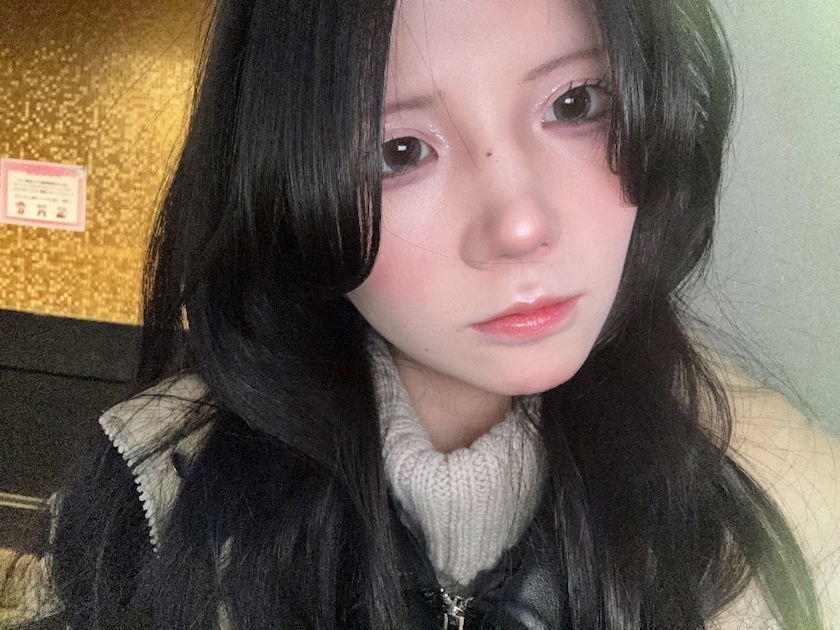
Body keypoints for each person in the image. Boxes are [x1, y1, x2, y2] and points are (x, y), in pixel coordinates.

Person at [11, 0, 839, 627]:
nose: (520, 225)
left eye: (576, 103)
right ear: (288, 192)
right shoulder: (154, 493)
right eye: (398, 152)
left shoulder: (795, 527)